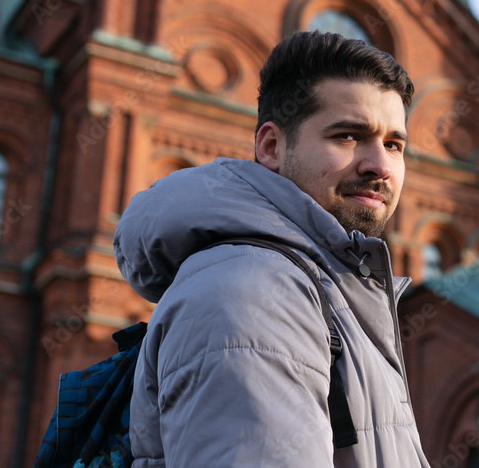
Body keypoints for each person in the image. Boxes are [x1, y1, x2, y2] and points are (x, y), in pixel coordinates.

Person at [114, 31, 430, 467]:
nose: (379, 165)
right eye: (347, 136)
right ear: (271, 147)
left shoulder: (324, 289)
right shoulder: (252, 292)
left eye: (394, 144)